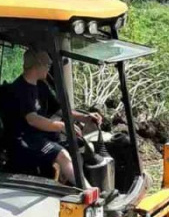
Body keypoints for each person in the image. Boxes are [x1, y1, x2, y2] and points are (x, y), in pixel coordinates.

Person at [11, 48, 102, 186]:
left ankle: (68, 182)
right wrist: (61, 126)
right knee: (63, 155)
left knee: (79, 145)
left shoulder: (41, 85)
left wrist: (84, 117)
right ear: (38, 65)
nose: (49, 69)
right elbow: (32, 119)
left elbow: (61, 110)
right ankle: (88, 191)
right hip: (27, 139)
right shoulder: (20, 89)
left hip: (44, 136)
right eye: (48, 65)